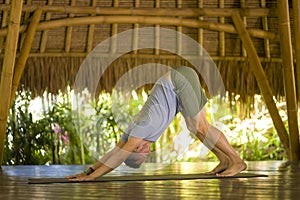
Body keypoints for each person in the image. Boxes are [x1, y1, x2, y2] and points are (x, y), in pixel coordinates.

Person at [67, 66, 246, 181]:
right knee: (195, 127)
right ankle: (224, 159)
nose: (148, 150)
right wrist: (88, 171)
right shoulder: (131, 133)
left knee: (200, 127)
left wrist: (92, 178)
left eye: (142, 153)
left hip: (177, 80)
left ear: (134, 148)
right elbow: (114, 152)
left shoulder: (141, 130)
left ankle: (237, 160)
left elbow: (118, 157)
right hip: (178, 82)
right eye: (146, 154)